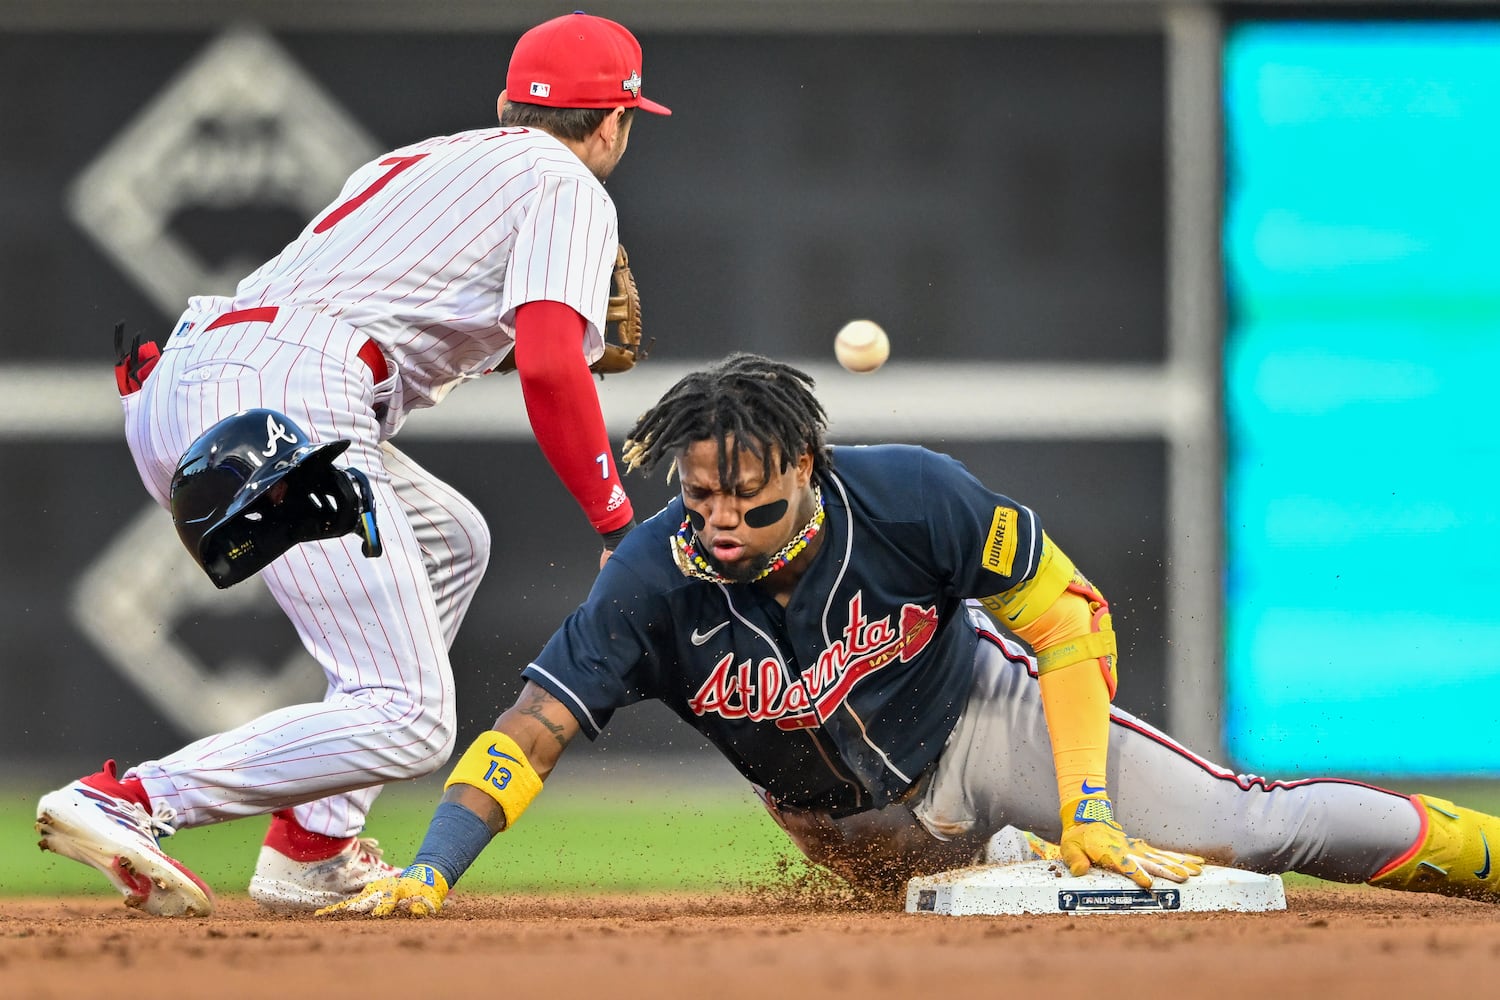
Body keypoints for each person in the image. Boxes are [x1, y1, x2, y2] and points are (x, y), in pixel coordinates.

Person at [314, 352, 1500, 918]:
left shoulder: (911, 495)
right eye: (701, 498)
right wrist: (433, 863)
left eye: (751, 499)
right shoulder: (649, 580)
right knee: (958, 927)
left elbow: (1071, 614)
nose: (720, 523)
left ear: (812, 472)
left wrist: (1087, 802)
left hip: (989, 721)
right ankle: (1021, 860)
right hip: (848, 828)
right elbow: (533, 728)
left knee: (1249, 826)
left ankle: (1483, 853)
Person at [34, 11, 670, 918]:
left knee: (452, 538)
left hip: (192, 382)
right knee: (411, 717)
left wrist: (518, 337)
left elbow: (412, 316)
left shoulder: (414, 163)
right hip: (285, 399)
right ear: (614, 122)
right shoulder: (570, 184)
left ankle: (312, 849)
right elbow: (548, 363)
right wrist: (616, 524)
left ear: (505, 105)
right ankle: (131, 800)